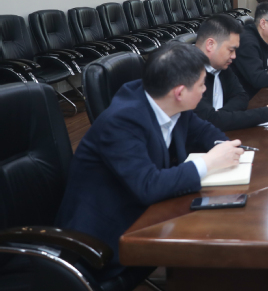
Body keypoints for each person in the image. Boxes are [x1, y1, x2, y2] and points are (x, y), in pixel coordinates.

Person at [56, 42, 244, 282]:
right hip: (103, 239)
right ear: (179, 92)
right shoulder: (122, 121)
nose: (205, 90)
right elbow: (148, 186)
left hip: (147, 212)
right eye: (201, 85)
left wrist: (227, 147)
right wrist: (208, 163)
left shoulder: (168, 101)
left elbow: (203, 131)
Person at [193, 14, 268, 130]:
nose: (234, 56)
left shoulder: (222, 66)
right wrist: (266, 113)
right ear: (210, 45)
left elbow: (241, 97)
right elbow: (210, 121)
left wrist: (221, 116)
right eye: (231, 50)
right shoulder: (188, 73)